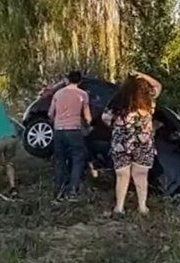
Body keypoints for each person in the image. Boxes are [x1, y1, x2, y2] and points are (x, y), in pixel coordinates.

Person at [102, 72, 162, 216]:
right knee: (141, 176)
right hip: (143, 144)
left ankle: (119, 207)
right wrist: (141, 75)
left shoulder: (118, 101)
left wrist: (116, 126)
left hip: (121, 143)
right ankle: (142, 207)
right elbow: (158, 85)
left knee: (122, 176)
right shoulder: (149, 100)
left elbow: (105, 118)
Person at [48, 70, 92, 202]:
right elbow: (88, 117)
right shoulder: (83, 94)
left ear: (67, 80)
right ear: (79, 81)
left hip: (59, 130)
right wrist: (88, 125)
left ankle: (59, 192)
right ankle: (72, 192)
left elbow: (50, 113)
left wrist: (55, 121)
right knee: (77, 159)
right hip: (74, 130)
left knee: (60, 160)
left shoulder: (58, 93)